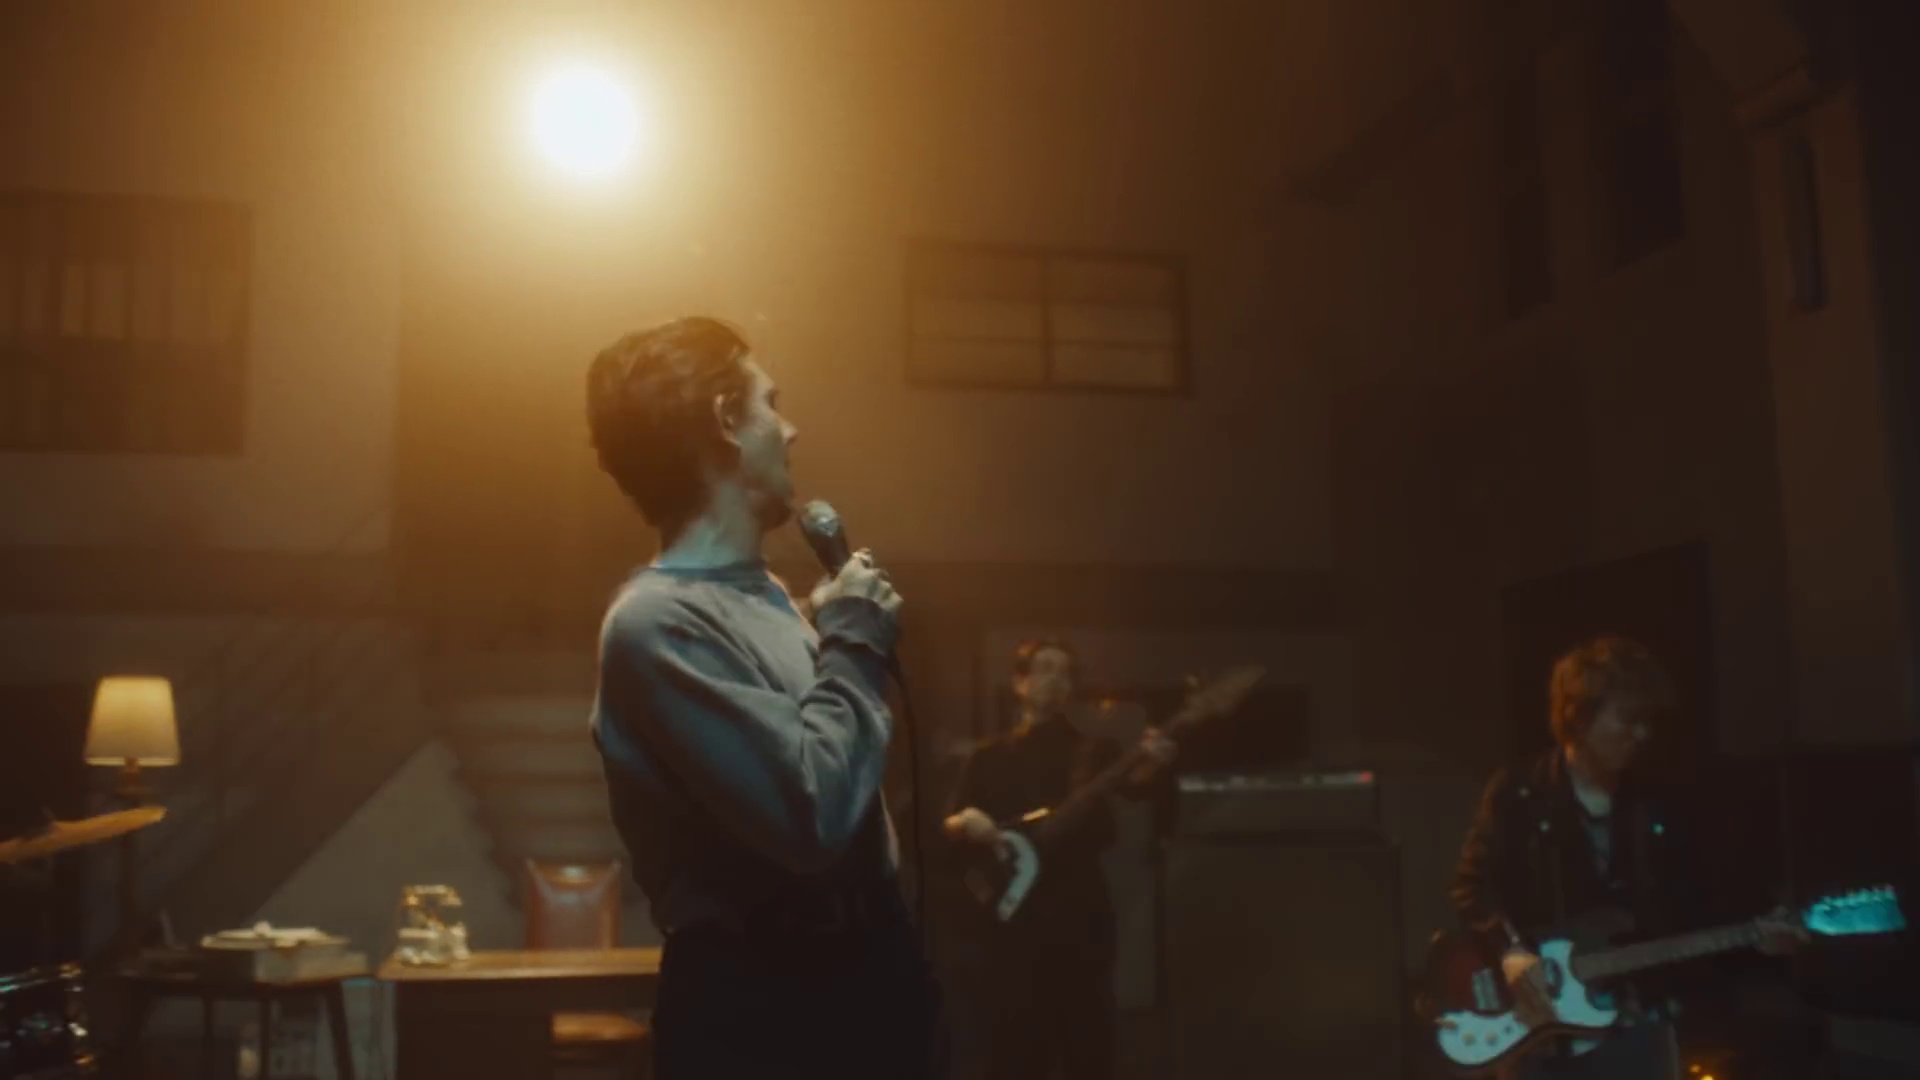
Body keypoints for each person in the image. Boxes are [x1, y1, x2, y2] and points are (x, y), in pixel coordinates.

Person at [584, 316, 939, 1079]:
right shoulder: (656, 624)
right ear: (724, 422)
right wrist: (853, 642)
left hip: (865, 977)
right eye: (770, 403)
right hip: (771, 1010)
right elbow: (810, 817)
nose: (792, 429)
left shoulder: (769, 596)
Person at [1451, 635, 1802, 1079]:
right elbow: (1471, 888)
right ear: (1580, 717)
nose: (1642, 734)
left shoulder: (1658, 800)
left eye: (1648, 721)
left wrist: (1758, 938)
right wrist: (1515, 952)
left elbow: (1699, 901)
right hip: (1540, 1032)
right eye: (1628, 719)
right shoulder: (1518, 793)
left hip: (1638, 1022)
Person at [941, 638, 1175, 1080]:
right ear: (1020, 682)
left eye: (1065, 673)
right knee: (1015, 1050)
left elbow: (1140, 788)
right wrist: (966, 821)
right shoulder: (987, 757)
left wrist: (1157, 765)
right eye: (1045, 668)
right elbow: (949, 829)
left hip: (1078, 915)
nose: (1055, 678)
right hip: (1011, 922)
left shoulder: (1096, 751)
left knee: (1086, 1044)